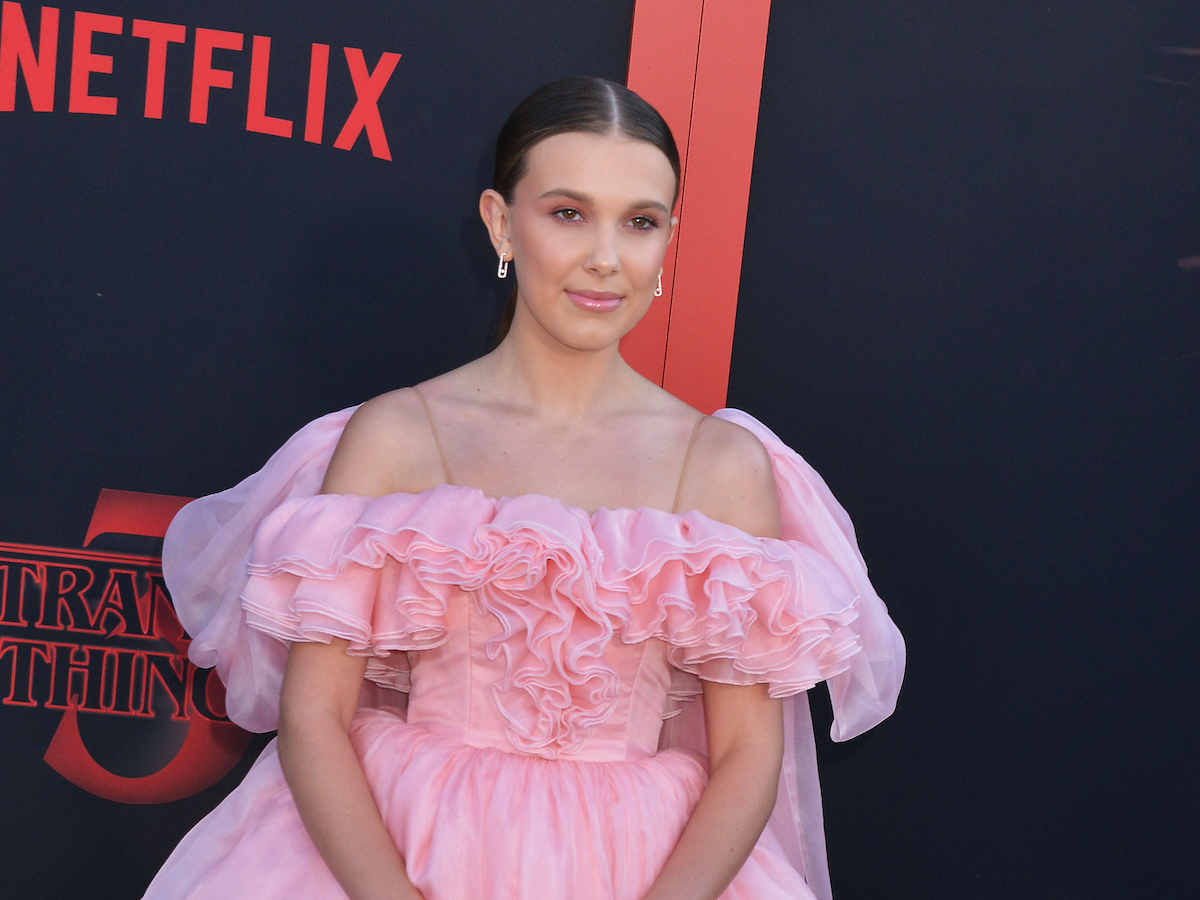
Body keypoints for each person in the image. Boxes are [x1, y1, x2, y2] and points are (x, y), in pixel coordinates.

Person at [144, 76, 904, 900]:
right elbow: (312, 719)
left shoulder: (720, 465)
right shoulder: (398, 437)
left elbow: (749, 754)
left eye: (639, 222)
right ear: (501, 222)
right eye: (568, 213)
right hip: (396, 854)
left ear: (668, 240)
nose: (605, 257)